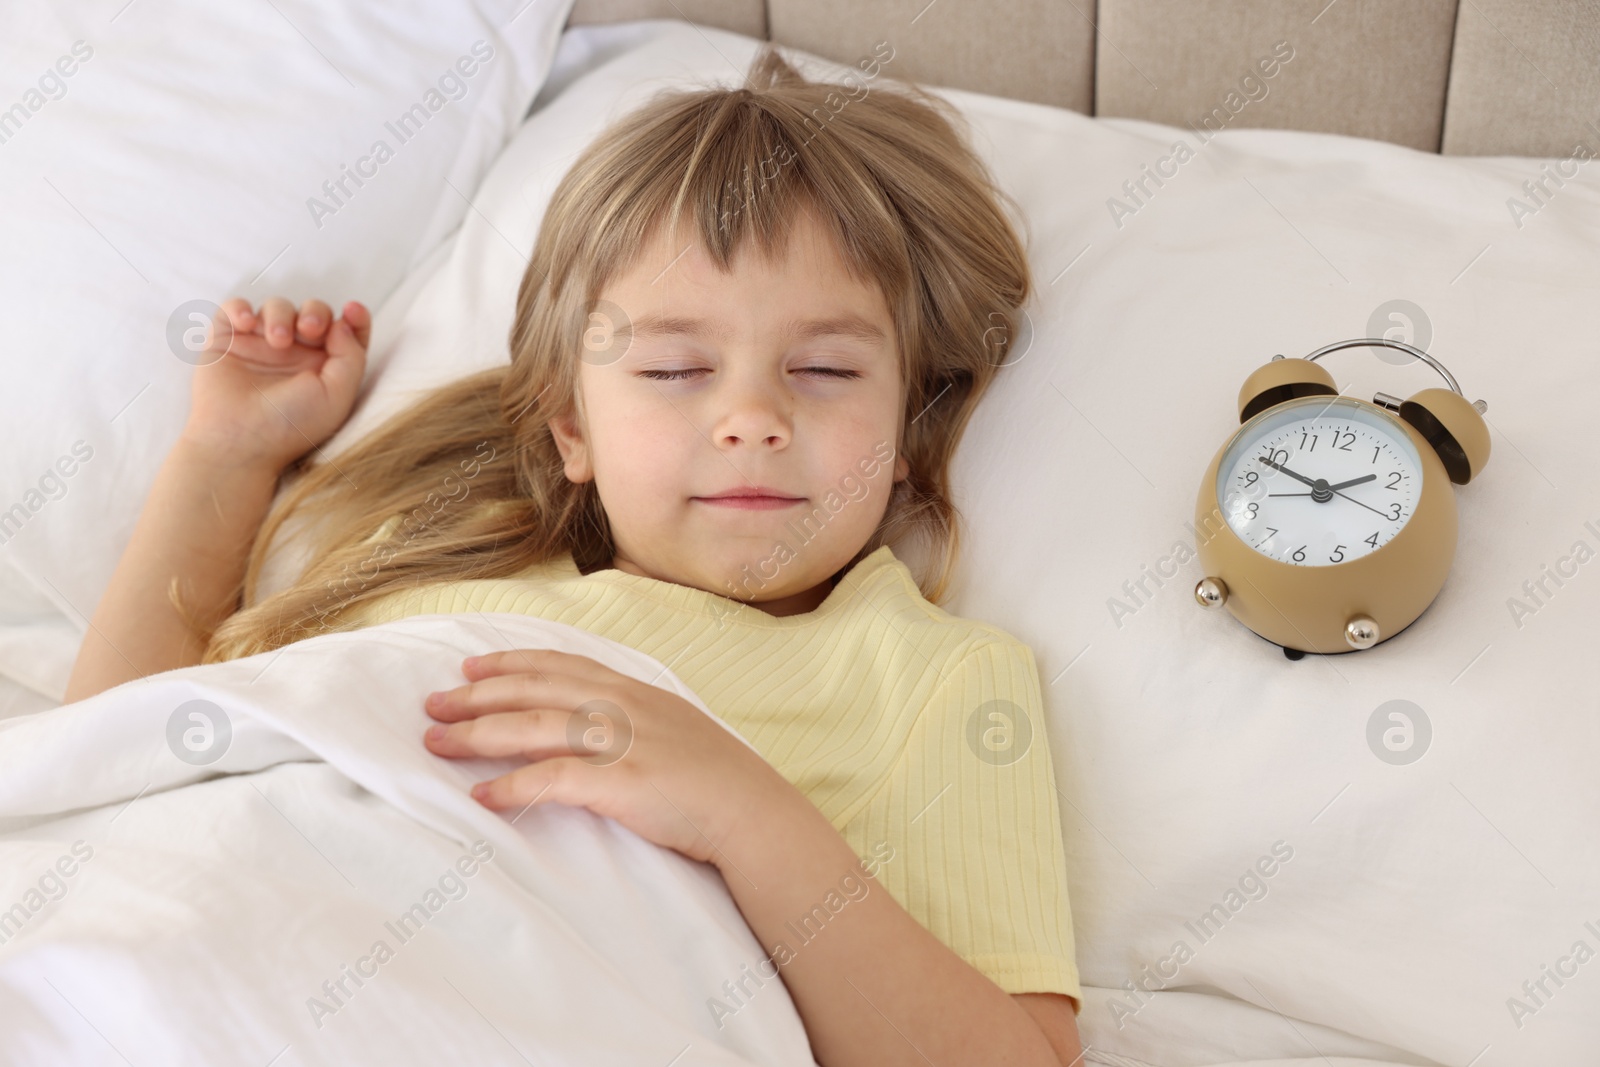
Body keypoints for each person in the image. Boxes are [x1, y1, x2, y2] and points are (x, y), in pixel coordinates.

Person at [65, 44, 1084, 1066]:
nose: (751, 417)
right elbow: (115, 756)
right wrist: (226, 455)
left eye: (823, 368)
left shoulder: (932, 676)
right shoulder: (428, 567)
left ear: (909, 427)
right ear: (572, 431)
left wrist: (744, 812)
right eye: (676, 367)